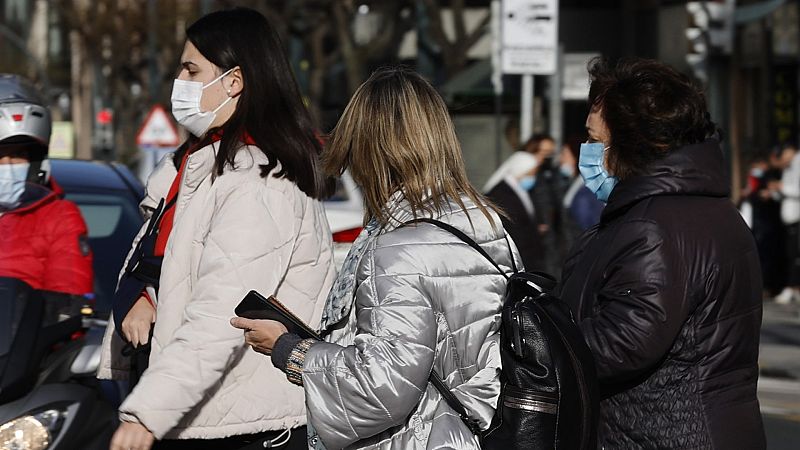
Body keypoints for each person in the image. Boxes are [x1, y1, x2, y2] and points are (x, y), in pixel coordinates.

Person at [231, 67, 518, 449]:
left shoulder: (398, 250)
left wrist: (288, 350)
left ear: (370, 152)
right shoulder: (485, 227)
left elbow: (382, 386)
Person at [99, 8, 335, 450]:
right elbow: (172, 265)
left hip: (249, 430)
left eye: (191, 70)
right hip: (209, 417)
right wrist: (143, 294)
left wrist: (148, 414)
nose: (179, 81)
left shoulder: (259, 184)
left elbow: (219, 317)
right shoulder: (197, 167)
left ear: (234, 81)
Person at [558, 58, 765, 449]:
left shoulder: (652, 226)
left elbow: (623, 341)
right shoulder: (711, 209)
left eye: (594, 138)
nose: (587, 150)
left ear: (631, 143)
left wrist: (538, 340)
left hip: (660, 434)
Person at [0, 74, 93, 298]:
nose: (7, 165)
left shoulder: (60, 218)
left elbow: (69, 297)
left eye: (18, 155)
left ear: (36, 161)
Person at [483, 150, 545, 270]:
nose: (532, 178)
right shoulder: (501, 193)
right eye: (530, 174)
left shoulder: (519, 189)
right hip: (517, 258)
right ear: (520, 170)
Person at [776, 144, 800, 304]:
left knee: (794, 255)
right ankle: (794, 287)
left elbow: (796, 190)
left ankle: (792, 287)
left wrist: (781, 187)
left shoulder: (797, 164)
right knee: (791, 254)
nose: (783, 158)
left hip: (796, 218)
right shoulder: (788, 168)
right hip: (789, 219)